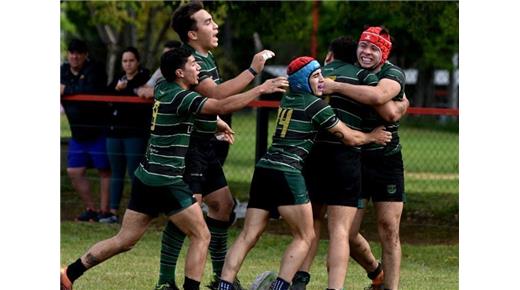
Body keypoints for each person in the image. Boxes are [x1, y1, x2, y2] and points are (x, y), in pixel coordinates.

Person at [60, 47, 289, 290]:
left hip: (146, 176)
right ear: (180, 72)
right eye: (193, 64)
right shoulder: (183, 97)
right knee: (202, 236)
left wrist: (215, 125)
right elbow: (220, 105)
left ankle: (69, 274)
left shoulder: (163, 88)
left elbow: (192, 115)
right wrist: (260, 88)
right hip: (167, 180)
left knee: (124, 240)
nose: (198, 67)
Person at [217, 56, 392, 290]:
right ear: (302, 81)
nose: (322, 80)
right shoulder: (315, 105)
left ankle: (224, 285)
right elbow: (349, 137)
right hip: (287, 171)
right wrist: (373, 137)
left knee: (249, 234)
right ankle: (281, 287)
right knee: (305, 236)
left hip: (264, 169)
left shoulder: (288, 98)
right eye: (316, 76)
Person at [156, 3, 279, 289]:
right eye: (208, 22)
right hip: (190, 150)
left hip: (205, 145)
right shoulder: (188, 61)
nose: (216, 26)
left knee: (223, 207)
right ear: (192, 33)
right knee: (186, 213)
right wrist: (253, 71)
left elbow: (208, 107)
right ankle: (164, 282)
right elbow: (217, 95)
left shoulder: (205, 56)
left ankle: (221, 279)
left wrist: (216, 123)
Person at [290, 37, 408, 290]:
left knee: (387, 228)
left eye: (374, 48)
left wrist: (336, 87)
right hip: (352, 155)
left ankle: (389, 286)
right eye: (363, 46)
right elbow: (391, 111)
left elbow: (387, 108)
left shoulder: (390, 74)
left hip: (384, 159)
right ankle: (375, 272)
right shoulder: (352, 74)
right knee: (345, 232)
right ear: (353, 52)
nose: (366, 52)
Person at [60, 38, 112, 222]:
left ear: (85, 55)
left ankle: (105, 212)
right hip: (77, 132)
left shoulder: (95, 69)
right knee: (74, 171)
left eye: (78, 53)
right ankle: (91, 208)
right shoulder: (63, 70)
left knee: (104, 170)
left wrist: (66, 88)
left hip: (98, 130)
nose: (74, 57)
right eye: (71, 53)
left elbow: (89, 89)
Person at [102, 46, 152, 223]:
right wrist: (117, 89)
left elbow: (144, 101)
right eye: (125, 61)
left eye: (131, 60)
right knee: (116, 172)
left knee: (134, 173)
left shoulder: (145, 78)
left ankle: (138, 213)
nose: (128, 64)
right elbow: (105, 97)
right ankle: (112, 212)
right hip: (114, 133)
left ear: (137, 61)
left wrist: (128, 89)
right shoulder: (118, 79)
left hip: (135, 134)